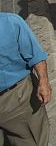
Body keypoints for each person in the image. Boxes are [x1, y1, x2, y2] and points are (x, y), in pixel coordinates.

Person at [0, 12, 52, 145]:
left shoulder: (9, 22)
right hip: (17, 98)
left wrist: (43, 81)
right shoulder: (10, 21)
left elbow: (35, 55)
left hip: (18, 96)